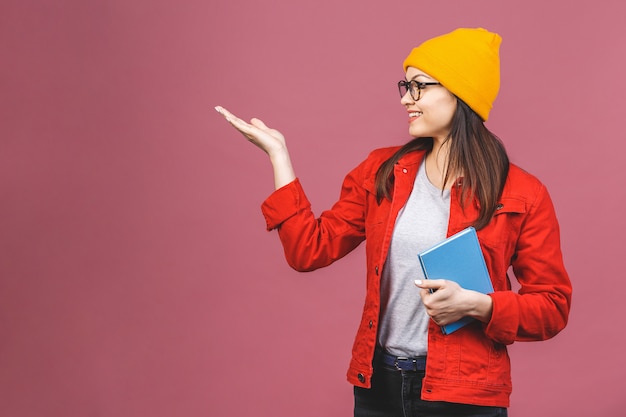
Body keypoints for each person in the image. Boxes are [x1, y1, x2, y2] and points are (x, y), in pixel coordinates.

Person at [215, 27, 571, 417]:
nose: (406, 98)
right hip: (378, 387)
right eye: (405, 85)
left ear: (460, 93)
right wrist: (278, 156)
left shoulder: (522, 192)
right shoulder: (383, 171)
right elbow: (308, 250)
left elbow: (552, 307)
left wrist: (479, 305)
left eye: (418, 86)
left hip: (464, 394)